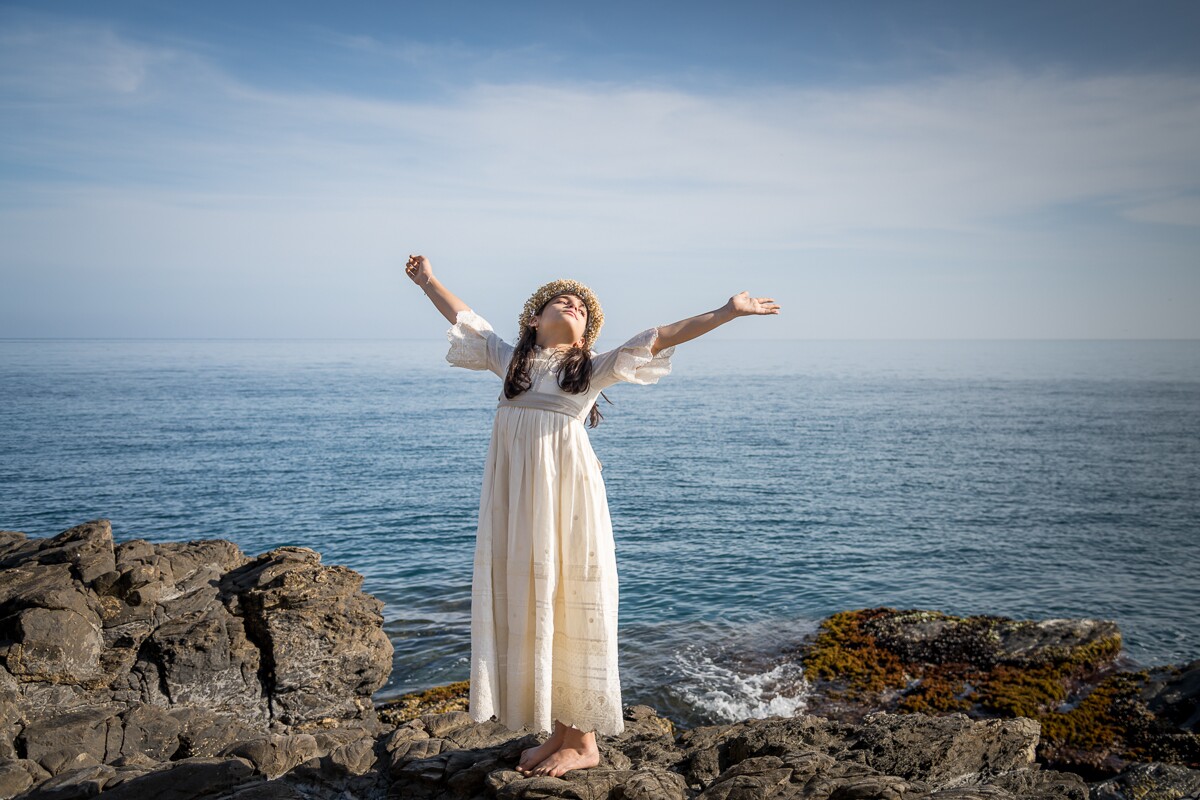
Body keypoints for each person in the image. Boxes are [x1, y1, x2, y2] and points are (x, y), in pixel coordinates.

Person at [404, 254, 780, 778]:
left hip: (566, 495)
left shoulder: (588, 369)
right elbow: (465, 317)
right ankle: (561, 732)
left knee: (570, 595)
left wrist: (726, 312)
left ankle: (584, 743)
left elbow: (661, 335)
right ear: (533, 321)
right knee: (536, 597)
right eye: (561, 300)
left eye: (582, 308)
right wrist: (427, 281)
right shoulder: (509, 360)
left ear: (584, 338)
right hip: (517, 499)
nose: (573, 304)